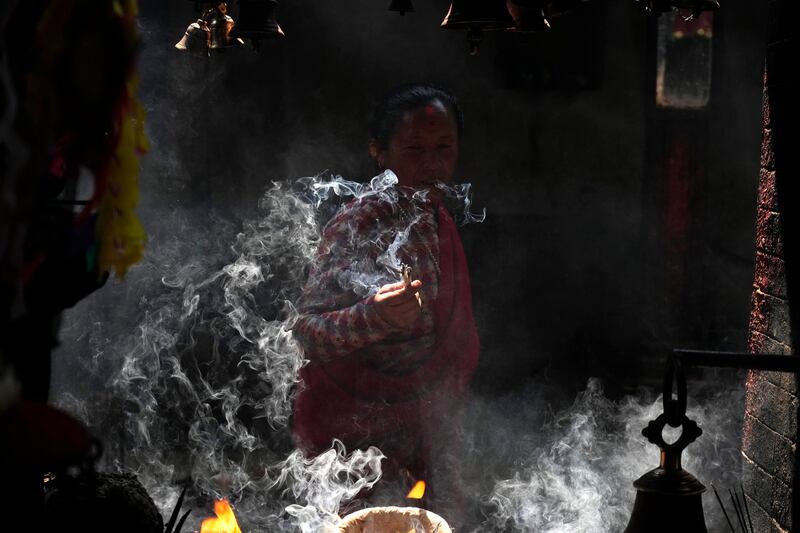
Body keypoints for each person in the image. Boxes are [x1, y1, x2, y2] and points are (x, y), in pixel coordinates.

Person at [291, 83, 479, 520]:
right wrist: (372, 316)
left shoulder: (438, 216)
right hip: (352, 435)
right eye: (414, 149)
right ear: (380, 152)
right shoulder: (357, 222)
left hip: (422, 423)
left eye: (444, 148)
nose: (432, 164)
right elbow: (305, 332)